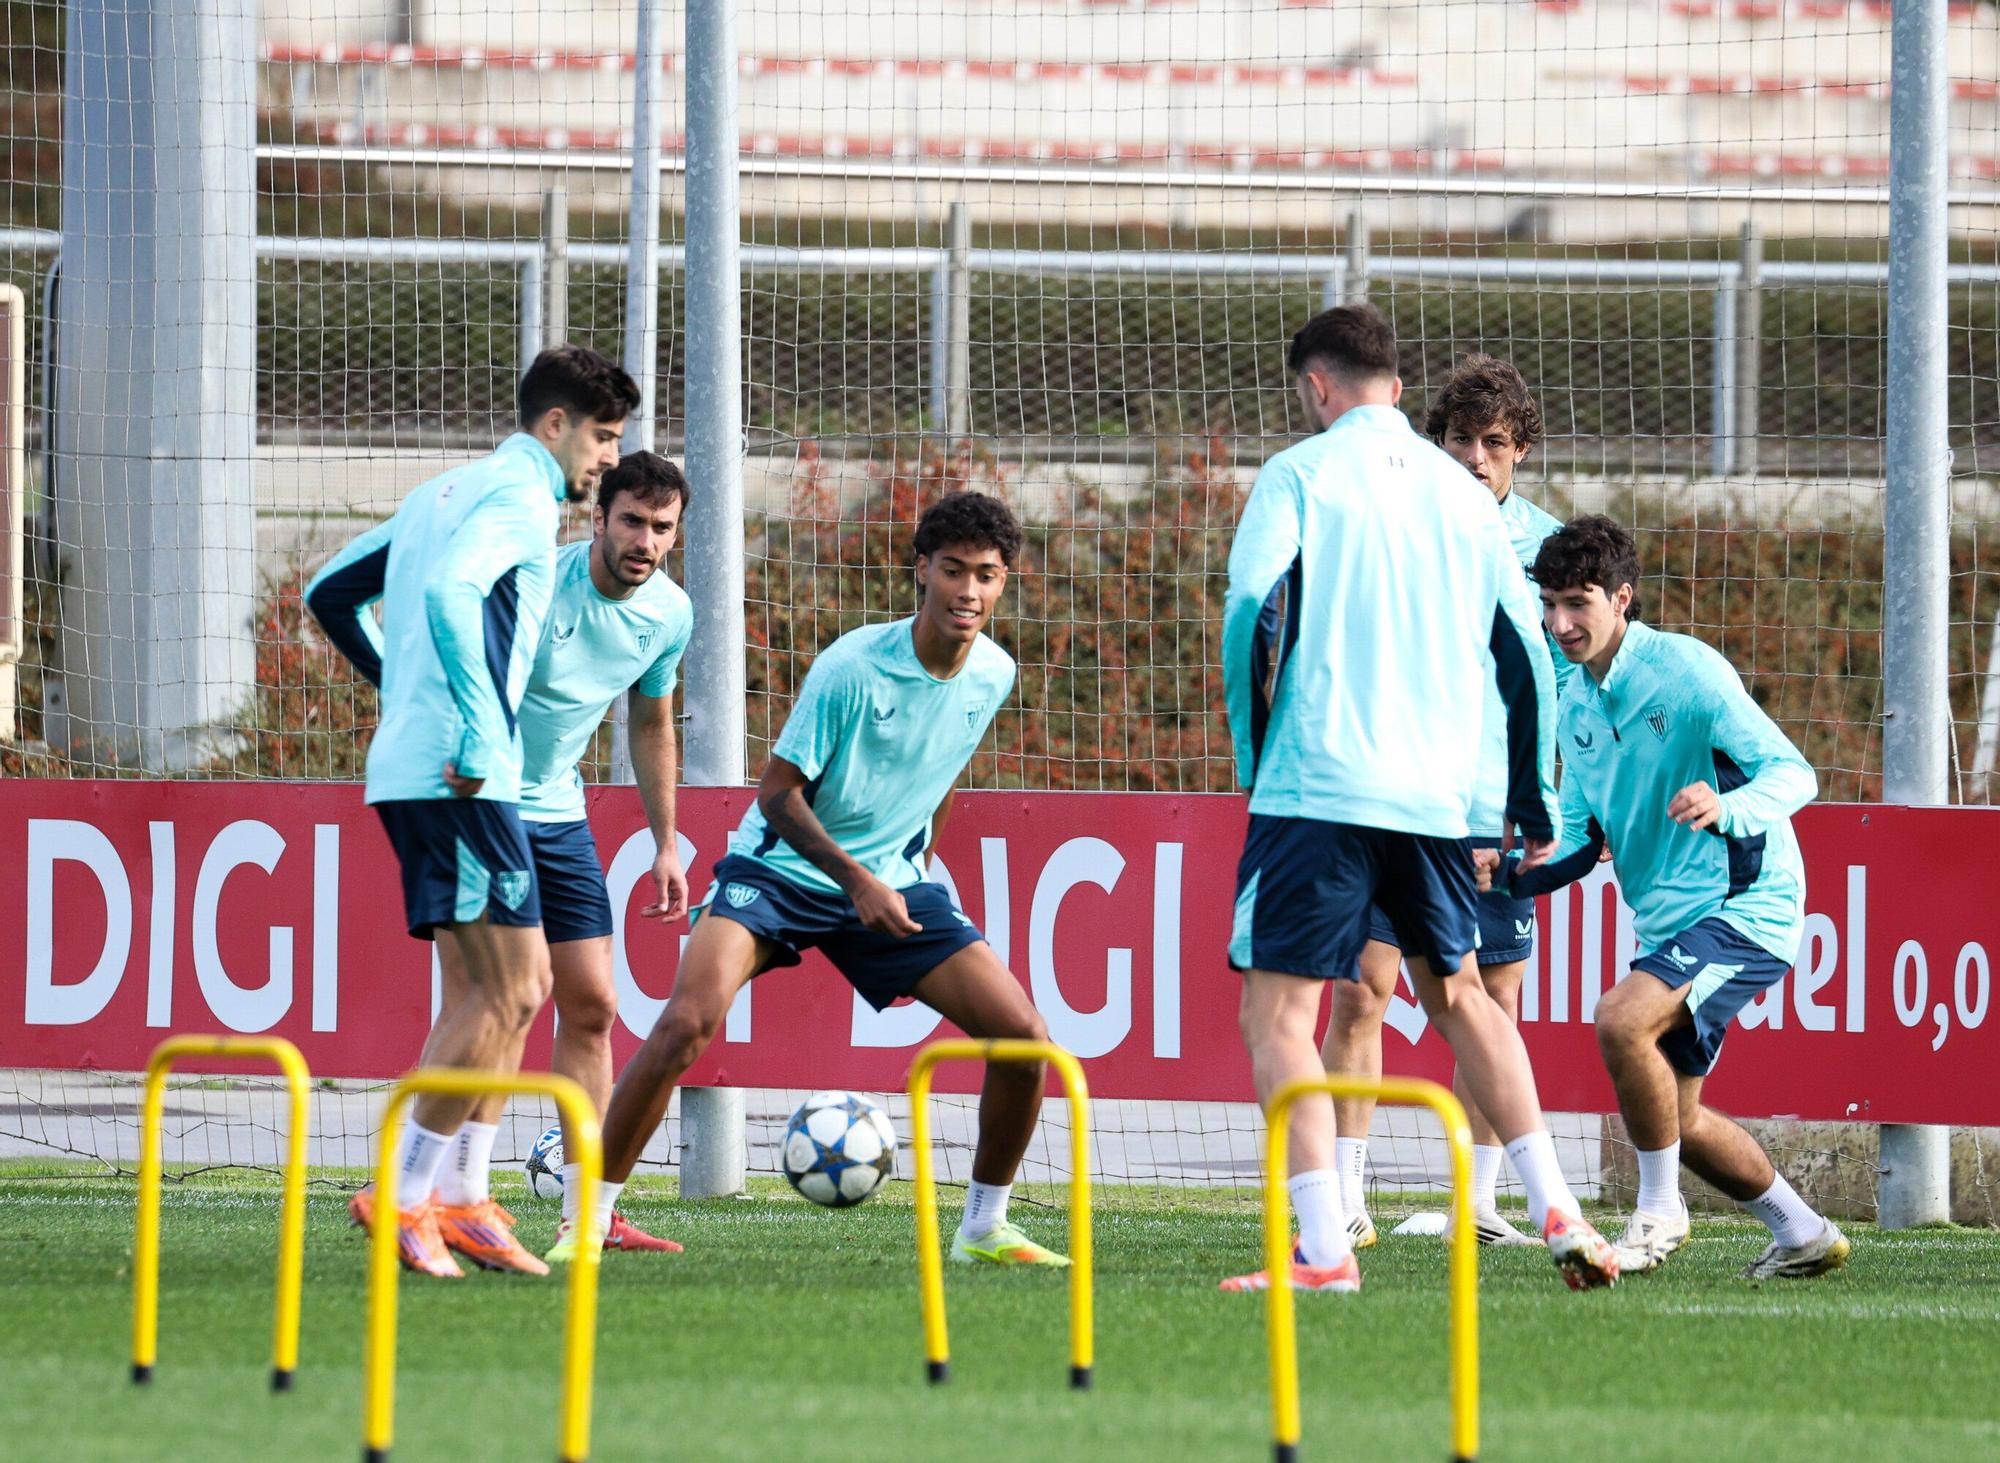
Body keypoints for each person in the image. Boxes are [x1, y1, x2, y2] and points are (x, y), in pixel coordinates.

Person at [550, 491, 1066, 1267]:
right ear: (921, 569)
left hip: (886, 881)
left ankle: (983, 1227)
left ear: (1003, 581)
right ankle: (587, 1225)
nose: (968, 590)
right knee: (686, 1023)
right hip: (777, 871)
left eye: (986, 575)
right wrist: (857, 880)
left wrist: (912, 870)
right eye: (953, 569)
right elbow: (776, 796)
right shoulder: (853, 666)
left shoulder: (993, 673)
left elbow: (942, 772)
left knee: (1025, 1037)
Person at [1218, 304, 1618, 1295]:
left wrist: (1252, 754)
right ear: (1397, 390)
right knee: (1463, 997)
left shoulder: (1298, 474)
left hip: (1317, 785)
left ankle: (1323, 1249)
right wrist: (1528, 799)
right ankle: (1557, 1206)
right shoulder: (1465, 499)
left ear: (1317, 387)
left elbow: (1248, 607)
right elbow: (1523, 648)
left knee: (1278, 1013)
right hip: (1437, 799)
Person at [306, 344, 637, 1277]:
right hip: (462, 775)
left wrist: (403, 690)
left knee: (507, 988)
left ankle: (460, 1198)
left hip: (427, 765)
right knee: (511, 989)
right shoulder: (521, 499)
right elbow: (454, 590)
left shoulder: (441, 493)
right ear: (556, 425)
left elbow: (330, 594)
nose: (609, 458)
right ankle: (403, 1192)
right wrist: (476, 728)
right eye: (603, 437)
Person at [1498, 515, 1849, 1280]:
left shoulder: (1687, 672)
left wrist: (1729, 807)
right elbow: (1581, 838)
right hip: (1668, 925)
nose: (1560, 623)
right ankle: (1804, 1231)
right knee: (1677, 1116)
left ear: (1622, 598)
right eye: (1549, 604)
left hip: (1747, 906)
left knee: (1621, 1019)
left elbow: (1794, 773)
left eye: (1578, 603)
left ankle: (1659, 1212)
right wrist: (1507, 872)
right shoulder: (1574, 704)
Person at [1319, 354, 1572, 1250]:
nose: (1474, 457)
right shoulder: (1397, 523)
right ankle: (1344, 1195)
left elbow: (1567, 687)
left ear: (1521, 450)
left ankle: (1477, 1202)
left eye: (1493, 442)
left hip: (1495, 815)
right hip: (1392, 799)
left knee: (1492, 1001)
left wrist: (1542, 804)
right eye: (1460, 439)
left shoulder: (1550, 553)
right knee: (1362, 990)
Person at [439, 451, 693, 1261]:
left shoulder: (669, 614)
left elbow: (650, 721)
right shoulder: (537, 583)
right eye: (632, 521)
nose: (645, 540)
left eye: (661, 527)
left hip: (559, 812)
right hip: (484, 802)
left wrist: (664, 841)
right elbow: (471, 685)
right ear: (598, 519)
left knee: (592, 1005)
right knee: (493, 996)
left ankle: (588, 1216)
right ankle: (451, 1193)